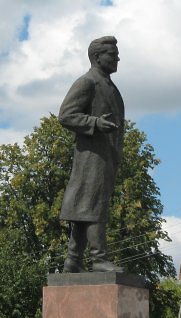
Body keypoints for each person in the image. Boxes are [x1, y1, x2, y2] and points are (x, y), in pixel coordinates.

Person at [58, 36, 125, 273]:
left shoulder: (109, 86)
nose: (117, 58)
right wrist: (94, 123)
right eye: (112, 54)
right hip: (91, 157)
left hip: (105, 158)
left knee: (83, 208)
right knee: (92, 205)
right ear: (97, 57)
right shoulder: (87, 83)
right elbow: (66, 115)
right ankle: (98, 258)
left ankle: (73, 260)